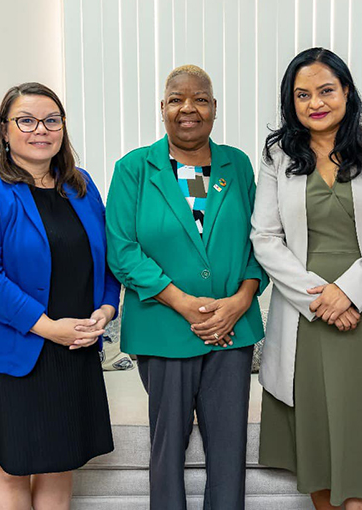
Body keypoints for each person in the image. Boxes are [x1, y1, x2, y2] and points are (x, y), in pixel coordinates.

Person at [252, 47, 362, 510]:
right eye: (303, 94)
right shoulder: (277, 155)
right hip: (307, 312)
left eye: (326, 90)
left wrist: (348, 293)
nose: (316, 102)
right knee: (318, 448)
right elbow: (265, 236)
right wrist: (321, 300)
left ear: (347, 92)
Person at [105, 64, 267, 510]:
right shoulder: (134, 168)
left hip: (232, 330)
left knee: (229, 450)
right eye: (177, 99)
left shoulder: (237, 164)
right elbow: (122, 250)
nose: (188, 108)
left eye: (199, 99)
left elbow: (262, 240)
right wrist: (182, 302)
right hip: (164, 329)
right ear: (162, 108)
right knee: (166, 449)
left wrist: (240, 300)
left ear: (214, 108)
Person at [0, 82, 120, 510]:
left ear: (62, 128)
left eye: (51, 120)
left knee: (59, 463)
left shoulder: (82, 186)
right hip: (14, 350)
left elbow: (106, 260)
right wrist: (49, 328)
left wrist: (105, 308)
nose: (40, 129)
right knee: (13, 466)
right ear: (5, 130)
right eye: (26, 120)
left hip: (75, 345)